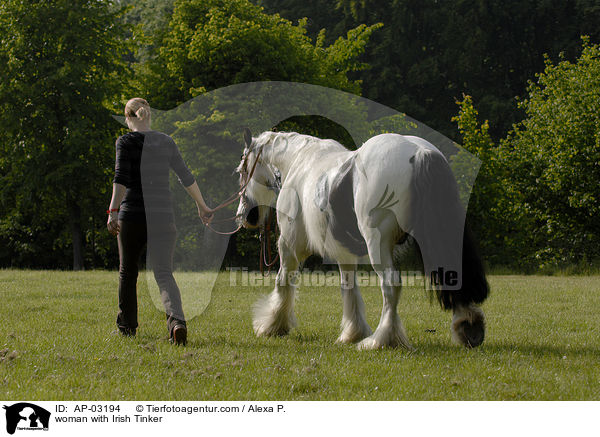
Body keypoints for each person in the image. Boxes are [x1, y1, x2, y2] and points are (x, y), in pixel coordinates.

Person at [107, 98, 213, 346]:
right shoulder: (166, 141)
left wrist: (113, 211)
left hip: (132, 215)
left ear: (128, 118)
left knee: (128, 272)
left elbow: (120, 179)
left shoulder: (125, 141)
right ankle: (177, 323)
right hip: (163, 216)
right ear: (149, 116)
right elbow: (186, 177)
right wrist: (202, 205)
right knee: (164, 274)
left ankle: (127, 327)